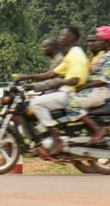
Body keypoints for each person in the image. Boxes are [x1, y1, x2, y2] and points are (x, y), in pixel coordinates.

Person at [17, 27, 89, 158]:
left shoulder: (76, 54)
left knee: (36, 104)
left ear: (72, 38)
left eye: (64, 36)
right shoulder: (70, 55)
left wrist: (59, 82)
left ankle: (56, 139)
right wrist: (26, 77)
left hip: (69, 93)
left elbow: (75, 80)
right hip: (65, 91)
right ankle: (43, 139)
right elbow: (50, 74)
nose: (61, 38)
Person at [61, 25, 110, 146]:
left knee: (71, 104)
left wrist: (84, 87)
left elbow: (103, 80)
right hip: (98, 90)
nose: (96, 42)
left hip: (103, 91)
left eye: (99, 40)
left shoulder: (109, 58)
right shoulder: (104, 56)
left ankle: (97, 129)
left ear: (106, 42)